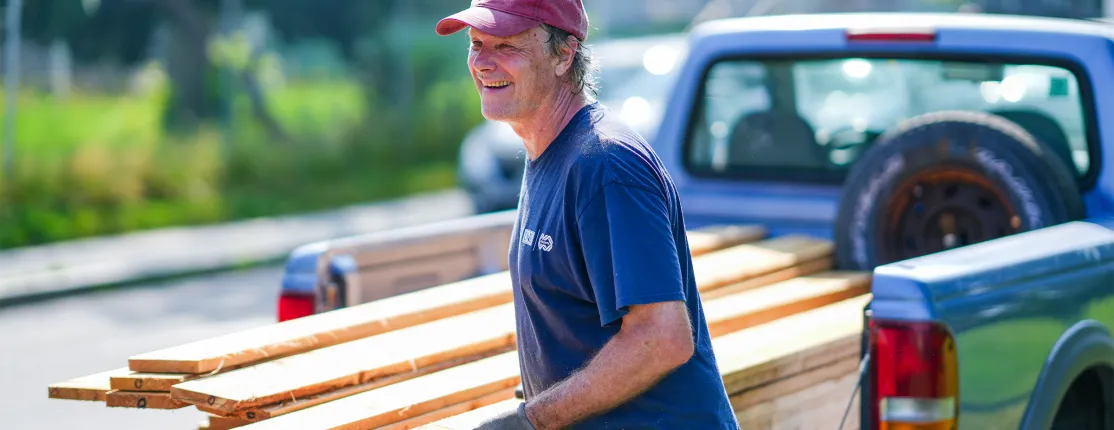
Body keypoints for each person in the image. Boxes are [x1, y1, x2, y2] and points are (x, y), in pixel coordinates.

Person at [435, 1, 740, 428]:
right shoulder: (546, 150)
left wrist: (533, 419)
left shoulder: (605, 164)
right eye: (476, 44)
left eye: (506, 45)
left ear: (564, 55)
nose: (484, 63)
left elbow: (663, 337)